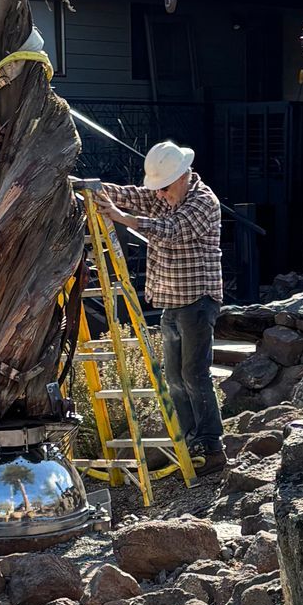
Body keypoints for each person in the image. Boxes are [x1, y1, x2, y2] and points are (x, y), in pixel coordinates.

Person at [97, 139, 226, 472]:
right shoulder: (168, 196)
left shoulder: (202, 201)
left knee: (194, 374)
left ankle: (211, 446)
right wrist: (91, 190)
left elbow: (173, 231)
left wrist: (125, 219)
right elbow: (132, 194)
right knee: (174, 376)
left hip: (198, 300)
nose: (158, 193)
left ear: (183, 176)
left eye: (164, 187)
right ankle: (188, 439)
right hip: (172, 300)